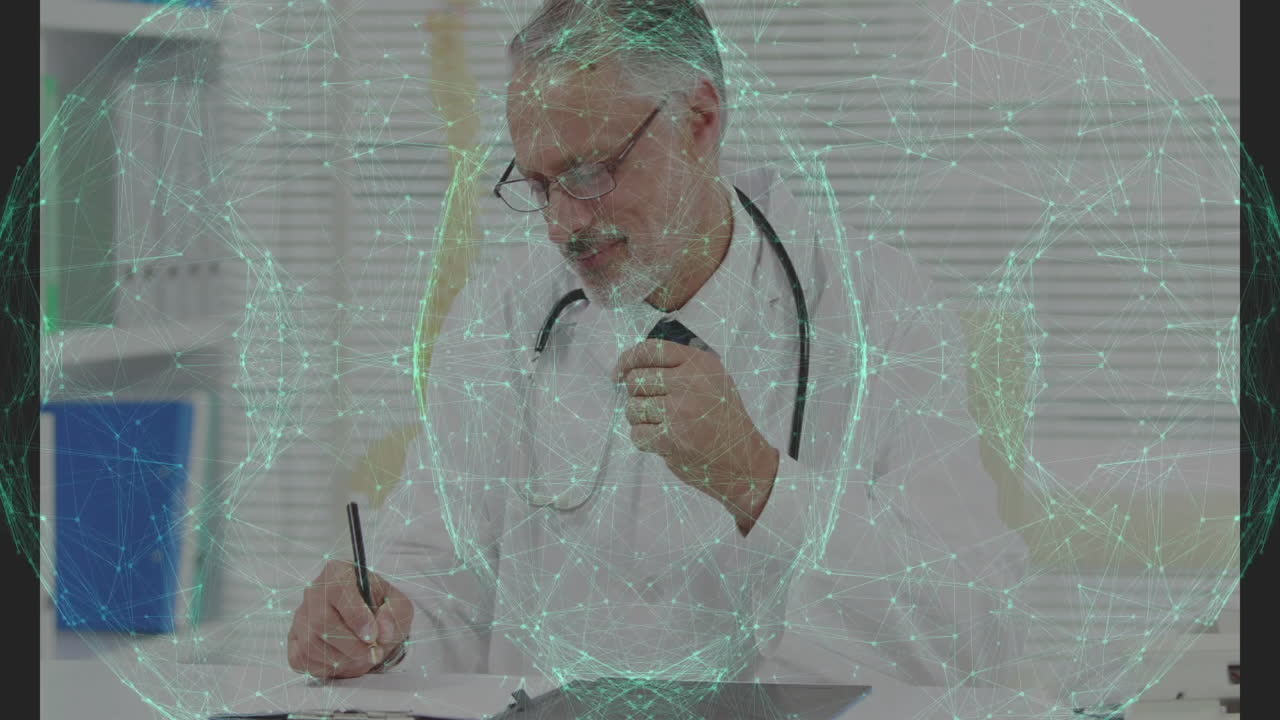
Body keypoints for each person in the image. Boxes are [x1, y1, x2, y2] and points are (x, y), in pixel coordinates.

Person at [288, 0, 1029, 688]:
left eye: (590, 173)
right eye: (541, 185)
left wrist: (756, 479)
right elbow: (437, 577)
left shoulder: (877, 307)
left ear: (700, 119)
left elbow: (976, 629)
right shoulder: (504, 312)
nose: (562, 225)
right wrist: (377, 627)